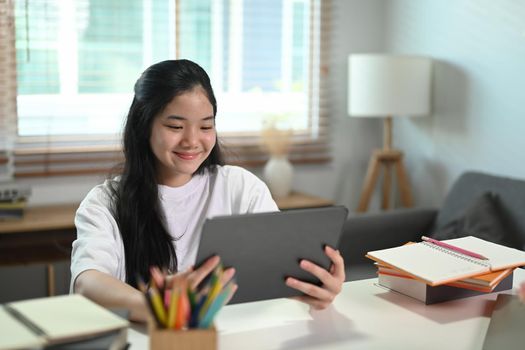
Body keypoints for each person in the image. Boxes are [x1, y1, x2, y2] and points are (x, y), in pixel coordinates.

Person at [70, 59, 345, 322]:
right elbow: (88, 283)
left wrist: (316, 287)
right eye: (175, 126)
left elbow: (277, 268)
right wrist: (164, 309)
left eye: (205, 126)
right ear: (144, 126)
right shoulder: (105, 203)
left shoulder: (241, 188)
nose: (192, 141)